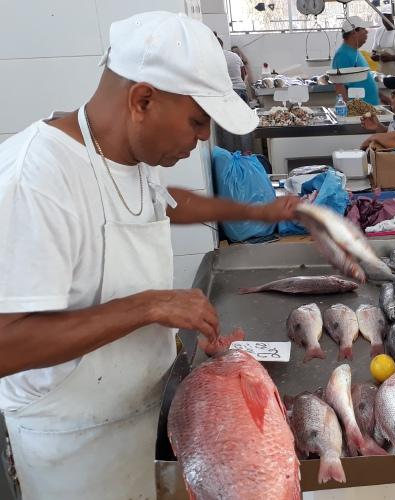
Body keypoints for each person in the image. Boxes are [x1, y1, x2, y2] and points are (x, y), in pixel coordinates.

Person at [0, 12, 298, 500]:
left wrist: (256, 209)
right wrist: (148, 306)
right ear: (142, 99)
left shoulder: (125, 154)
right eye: (198, 121)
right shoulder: (36, 180)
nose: (203, 138)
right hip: (74, 453)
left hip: (146, 414)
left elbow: (163, 205)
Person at [333, 16, 380, 105]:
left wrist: (381, 96)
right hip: (359, 113)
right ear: (354, 32)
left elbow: (365, 81)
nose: (367, 31)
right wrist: (348, 113)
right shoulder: (343, 55)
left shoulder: (355, 52)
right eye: (363, 29)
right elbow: (340, 87)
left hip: (368, 109)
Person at [216, 36, 248, 101]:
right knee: (243, 111)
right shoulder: (235, 55)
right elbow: (243, 75)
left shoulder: (213, 57)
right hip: (241, 89)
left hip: (227, 92)